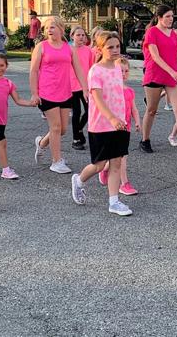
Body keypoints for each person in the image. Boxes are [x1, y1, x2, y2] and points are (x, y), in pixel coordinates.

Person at [70, 31, 133, 216]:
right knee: (99, 164)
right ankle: (79, 180)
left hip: (120, 124)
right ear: (99, 49)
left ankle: (114, 201)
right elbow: (97, 98)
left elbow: (118, 95)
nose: (115, 50)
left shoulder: (116, 68)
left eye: (117, 46)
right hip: (101, 125)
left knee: (116, 163)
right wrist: (111, 118)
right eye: (110, 47)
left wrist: (122, 118)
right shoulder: (95, 71)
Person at [139, 5, 177, 159]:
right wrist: (171, 72)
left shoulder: (173, 34)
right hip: (155, 73)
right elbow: (155, 55)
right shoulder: (152, 32)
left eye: (172, 16)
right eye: (167, 16)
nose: (171, 19)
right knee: (152, 110)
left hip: (173, 76)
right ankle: (145, 140)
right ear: (159, 17)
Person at [30, 16, 88, 174]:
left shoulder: (69, 49)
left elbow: (78, 70)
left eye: (53, 27)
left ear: (61, 29)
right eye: (47, 27)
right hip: (46, 92)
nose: (49, 29)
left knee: (62, 129)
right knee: (55, 127)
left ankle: (41, 143)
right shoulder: (41, 47)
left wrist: (85, 88)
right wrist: (35, 93)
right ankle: (56, 161)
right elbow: (34, 71)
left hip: (65, 92)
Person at [0, 53, 36, 179]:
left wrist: (31, 103)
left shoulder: (8, 83)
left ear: (6, 66)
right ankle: (5, 170)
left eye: (2, 65)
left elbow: (18, 100)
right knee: (2, 142)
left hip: (2, 118)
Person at [97, 57, 141, 195]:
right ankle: (124, 184)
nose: (123, 74)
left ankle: (106, 168)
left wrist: (138, 122)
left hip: (125, 128)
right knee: (121, 157)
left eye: (126, 71)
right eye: (120, 71)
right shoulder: (110, 89)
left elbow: (134, 109)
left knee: (119, 157)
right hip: (112, 128)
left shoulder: (129, 91)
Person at [69, 26, 94, 150]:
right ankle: (76, 139)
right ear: (72, 36)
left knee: (90, 110)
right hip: (72, 85)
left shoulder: (88, 51)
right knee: (77, 112)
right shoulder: (68, 50)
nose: (81, 37)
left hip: (85, 85)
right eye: (78, 35)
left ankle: (78, 130)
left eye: (83, 35)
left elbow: (91, 68)